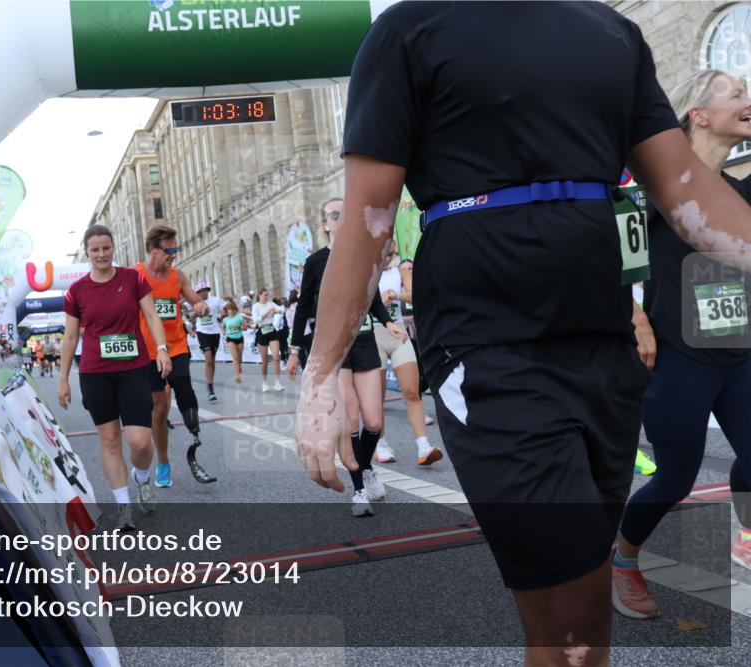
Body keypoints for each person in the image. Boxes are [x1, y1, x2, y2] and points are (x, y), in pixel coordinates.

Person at [293, 3, 751, 664]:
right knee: (568, 618)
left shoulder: (609, 30)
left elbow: (682, 186)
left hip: (604, 350)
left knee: (586, 615)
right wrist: (320, 374)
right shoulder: (407, 31)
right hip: (486, 355)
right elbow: (367, 219)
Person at [613, 70, 751, 618]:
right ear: (698, 113)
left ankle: (747, 534)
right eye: (737, 94)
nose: (749, 100)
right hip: (677, 355)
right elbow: (612, 259)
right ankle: (624, 560)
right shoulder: (652, 189)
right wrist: (636, 321)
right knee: (674, 477)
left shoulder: (742, 192)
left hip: (741, 354)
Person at [290, 197, 409, 516]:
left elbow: (370, 298)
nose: (342, 219)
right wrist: (293, 347)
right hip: (334, 347)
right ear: (325, 224)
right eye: (334, 215)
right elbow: (303, 306)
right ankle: (359, 490)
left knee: (374, 421)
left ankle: (366, 466)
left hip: (365, 341)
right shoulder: (316, 261)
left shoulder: (362, 256)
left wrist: (388, 322)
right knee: (352, 418)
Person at [57, 225, 170, 531]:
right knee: (109, 441)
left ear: (113, 248)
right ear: (87, 252)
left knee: (140, 441)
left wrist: (161, 349)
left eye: (106, 248)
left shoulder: (132, 278)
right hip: (95, 374)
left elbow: (151, 315)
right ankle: (124, 508)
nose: (101, 254)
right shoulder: (77, 290)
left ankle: (142, 477)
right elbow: (69, 337)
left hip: (133, 370)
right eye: (95, 249)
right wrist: (64, 378)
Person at [136, 224, 215, 487]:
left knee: (183, 386)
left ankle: (195, 435)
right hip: (148, 351)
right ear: (152, 249)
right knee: (159, 409)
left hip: (176, 347)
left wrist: (201, 306)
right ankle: (163, 462)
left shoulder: (177, 276)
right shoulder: (135, 275)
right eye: (168, 250)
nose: (173, 255)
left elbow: (194, 300)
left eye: (175, 249)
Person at [373, 240, 441, 466]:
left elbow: (415, 295)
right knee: (377, 397)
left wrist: (395, 296)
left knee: (412, 392)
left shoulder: (400, 271)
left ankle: (424, 446)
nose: (390, 258)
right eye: (386, 253)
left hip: (399, 335)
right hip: (374, 336)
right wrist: (378, 306)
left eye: (393, 253)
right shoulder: (367, 273)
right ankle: (381, 444)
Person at [192, 281, 226, 401]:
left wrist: (220, 315)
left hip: (215, 333)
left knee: (212, 361)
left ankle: (210, 385)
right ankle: (210, 388)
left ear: (208, 290)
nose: (202, 293)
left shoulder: (216, 300)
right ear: (197, 293)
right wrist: (195, 315)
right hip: (202, 332)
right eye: (200, 291)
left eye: (204, 290)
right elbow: (190, 316)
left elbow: (225, 309)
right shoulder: (194, 302)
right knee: (208, 359)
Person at [252, 289, 284, 393]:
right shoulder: (256, 306)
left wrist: (277, 311)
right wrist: (267, 313)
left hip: (271, 330)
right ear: (260, 295)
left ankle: (277, 382)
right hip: (262, 331)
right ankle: (264, 382)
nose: (267, 297)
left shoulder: (271, 304)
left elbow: (281, 309)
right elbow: (256, 320)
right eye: (265, 295)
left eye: (267, 295)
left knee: (277, 357)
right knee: (265, 361)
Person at [220, 300, 249, 383]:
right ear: (227, 311)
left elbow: (245, 327)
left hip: (239, 338)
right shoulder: (225, 319)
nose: (231, 311)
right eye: (229, 309)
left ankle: (239, 370)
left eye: (232, 309)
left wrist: (240, 327)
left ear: (234, 309)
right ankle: (237, 376)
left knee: (239, 359)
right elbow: (223, 327)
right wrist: (223, 331)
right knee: (235, 357)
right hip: (230, 339)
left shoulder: (239, 317)